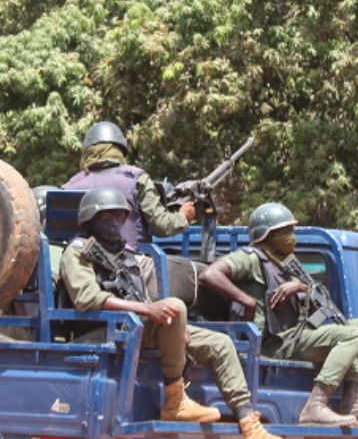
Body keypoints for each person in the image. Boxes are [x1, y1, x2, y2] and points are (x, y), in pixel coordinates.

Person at [59, 187, 279, 439]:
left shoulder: (125, 253)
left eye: (120, 216)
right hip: (104, 328)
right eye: (107, 216)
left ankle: (249, 422)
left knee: (220, 343)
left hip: (136, 326)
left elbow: (144, 297)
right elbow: (87, 298)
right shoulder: (78, 251)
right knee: (174, 307)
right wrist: (149, 310)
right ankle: (175, 401)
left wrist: (173, 327)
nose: (116, 222)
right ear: (90, 219)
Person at [199, 203, 358, 427]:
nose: (291, 237)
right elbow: (210, 274)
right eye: (285, 232)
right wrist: (246, 300)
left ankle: (351, 405)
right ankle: (316, 406)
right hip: (274, 342)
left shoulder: (285, 263)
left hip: (295, 335)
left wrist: (299, 287)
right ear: (267, 235)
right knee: (350, 336)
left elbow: (318, 307)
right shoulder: (250, 258)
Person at [64, 121, 195, 248]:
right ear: (120, 150)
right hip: (130, 263)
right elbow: (161, 226)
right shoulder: (137, 178)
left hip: (80, 263)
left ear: (88, 152)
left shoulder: (70, 186)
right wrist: (183, 216)